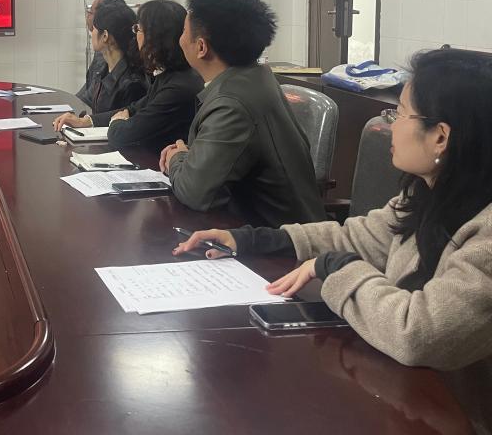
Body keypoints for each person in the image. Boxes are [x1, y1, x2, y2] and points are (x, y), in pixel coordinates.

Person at [174, 48, 492, 381]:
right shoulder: (429, 191)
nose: (391, 124)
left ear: (440, 136)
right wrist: (251, 239)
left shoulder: (484, 234)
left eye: (399, 113)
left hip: (461, 400)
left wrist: (336, 267)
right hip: (405, 381)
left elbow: (418, 334)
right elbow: (359, 237)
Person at [160, 0, 325, 226]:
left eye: (184, 31)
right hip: (269, 229)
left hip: (276, 241)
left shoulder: (231, 105)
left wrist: (177, 158)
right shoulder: (257, 76)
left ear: (201, 47)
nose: (180, 39)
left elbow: (195, 193)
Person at [101, 0, 203, 154]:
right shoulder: (170, 75)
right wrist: (88, 120)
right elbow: (134, 108)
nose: (136, 35)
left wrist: (117, 121)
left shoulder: (178, 87)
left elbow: (123, 135)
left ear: (155, 37)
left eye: (138, 29)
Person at [54, 0, 146, 132]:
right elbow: (87, 100)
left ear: (105, 36)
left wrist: (85, 122)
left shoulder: (133, 83)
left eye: (94, 28)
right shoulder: (103, 69)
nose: (91, 32)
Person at [75, 0, 128, 107]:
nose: (87, 16)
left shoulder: (128, 79)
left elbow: (91, 100)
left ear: (105, 35)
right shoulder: (105, 56)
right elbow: (90, 93)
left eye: (91, 12)